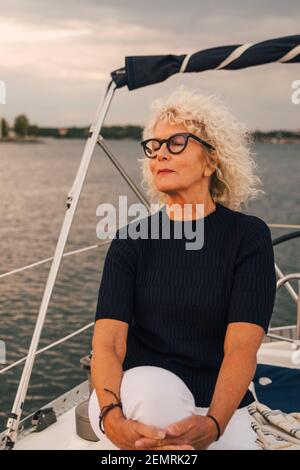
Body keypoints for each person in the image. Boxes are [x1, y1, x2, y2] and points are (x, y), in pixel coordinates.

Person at [89, 85, 277, 450]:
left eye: (176, 143)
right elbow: (109, 343)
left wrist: (214, 424)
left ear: (211, 161)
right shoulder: (132, 240)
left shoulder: (247, 236)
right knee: (157, 410)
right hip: (138, 401)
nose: (160, 154)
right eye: (153, 146)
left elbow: (242, 346)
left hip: (220, 409)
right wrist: (111, 417)